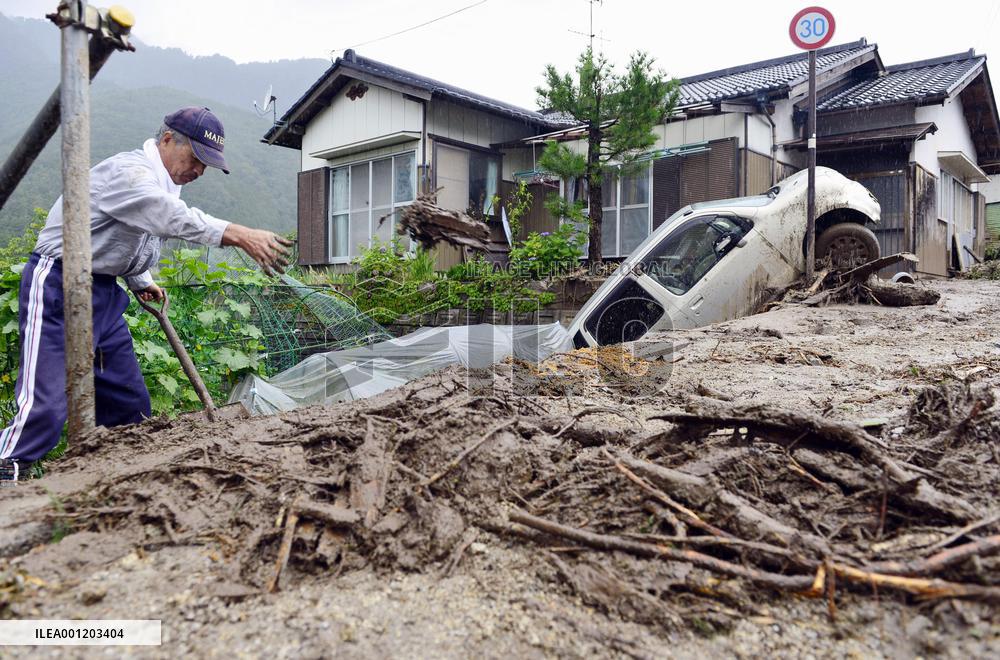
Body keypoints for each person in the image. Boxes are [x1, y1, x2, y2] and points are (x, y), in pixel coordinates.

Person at [0, 107, 292, 481]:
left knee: (129, 403)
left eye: (207, 164)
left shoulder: (163, 181)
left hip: (103, 291)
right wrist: (237, 233)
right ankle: (8, 466)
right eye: (196, 158)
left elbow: (126, 235)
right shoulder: (130, 173)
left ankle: (116, 477)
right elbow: (162, 214)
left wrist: (140, 279)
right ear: (168, 140)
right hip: (58, 283)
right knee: (47, 403)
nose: (200, 171)